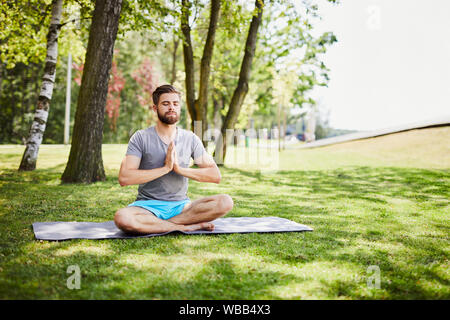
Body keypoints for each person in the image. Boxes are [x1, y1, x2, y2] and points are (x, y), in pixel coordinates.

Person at [114, 84, 233, 234]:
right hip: (147, 207)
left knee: (225, 202)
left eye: (175, 104)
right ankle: (183, 227)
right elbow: (125, 178)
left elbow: (215, 175)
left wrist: (179, 169)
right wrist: (165, 169)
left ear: (179, 108)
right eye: (165, 103)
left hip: (182, 208)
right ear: (155, 108)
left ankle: (161, 225)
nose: (171, 107)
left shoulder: (190, 138)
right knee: (122, 218)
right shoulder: (141, 137)